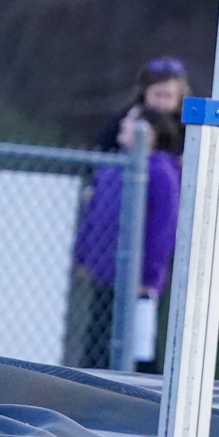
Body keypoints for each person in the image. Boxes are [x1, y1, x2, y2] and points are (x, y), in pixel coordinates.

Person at [71, 105, 183, 370]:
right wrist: (82, 254)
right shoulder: (113, 167)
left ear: (150, 133)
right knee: (97, 344)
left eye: (131, 121)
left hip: (137, 281)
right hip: (106, 275)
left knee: (138, 351)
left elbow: (163, 230)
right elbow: (93, 214)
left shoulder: (160, 172)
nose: (123, 125)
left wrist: (148, 277)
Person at [94, 57, 191, 152]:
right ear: (144, 93)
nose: (162, 102)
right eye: (157, 94)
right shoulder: (127, 118)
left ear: (179, 98)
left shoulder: (187, 127)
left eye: (168, 96)